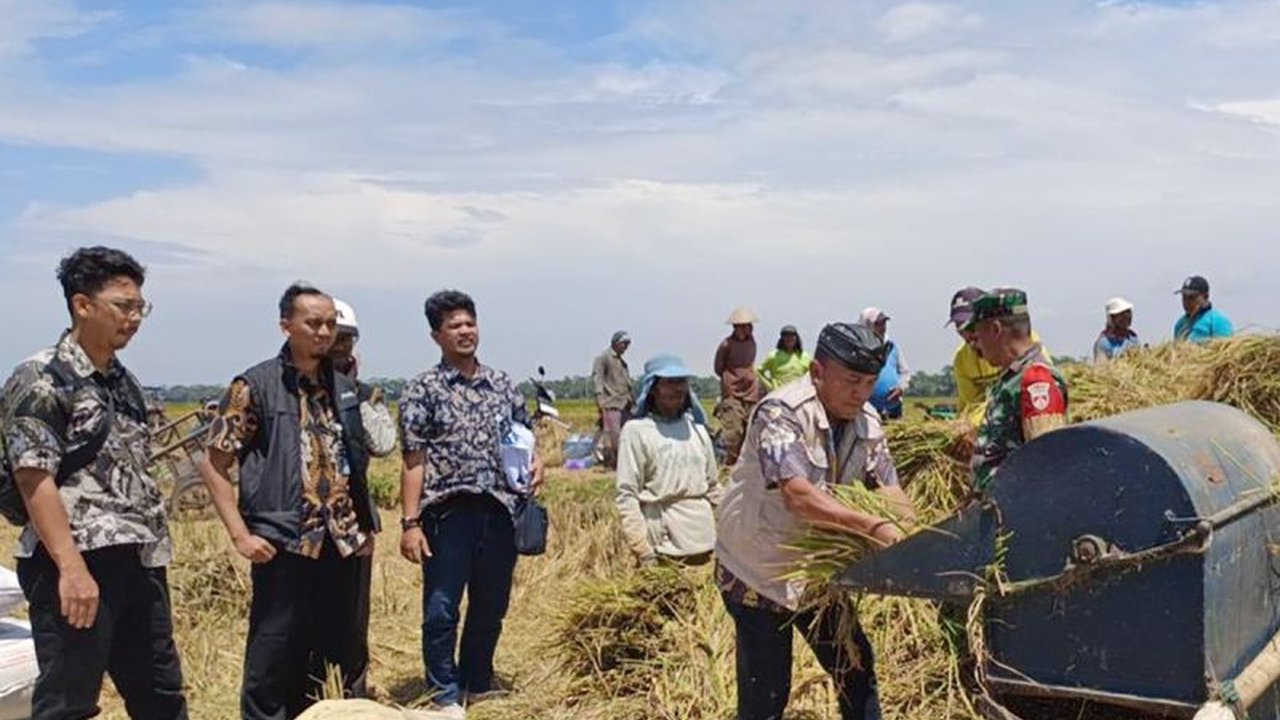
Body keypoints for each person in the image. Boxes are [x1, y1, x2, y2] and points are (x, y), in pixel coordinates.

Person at [1, 247, 189, 720]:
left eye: (140, 307)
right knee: (69, 701)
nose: (135, 317)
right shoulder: (43, 379)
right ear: (82, 305)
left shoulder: (124, 383)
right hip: (76, 563)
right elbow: (33, 477)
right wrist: (72, 570)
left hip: (139, 560)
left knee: (161, 696)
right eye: (123, 306)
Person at [715, 323, 917, 720]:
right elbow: (798, 496)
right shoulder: (781, 413)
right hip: (759, 571)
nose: (861, 392)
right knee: (767, 693)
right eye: (851, 381)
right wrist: (873, 528)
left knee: (856, 670)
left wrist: (913, 532)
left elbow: (887, 487)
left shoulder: (868, 421)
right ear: (817, 373)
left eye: (870, 382)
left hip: (817, 574)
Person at [199, 283, 381, 720]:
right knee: (276, 647)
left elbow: (355, 460)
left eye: (330, 324)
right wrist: (240, 534)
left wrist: (366, 526)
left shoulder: (344, 388)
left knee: (343, 645)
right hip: (284, 538)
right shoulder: (255, 385)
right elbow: (213, 462)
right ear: (286, 325)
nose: (323, 332)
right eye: (313, 323)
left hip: (344, 540)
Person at [398, 290, 543, 719]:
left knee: (491, 604)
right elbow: (413, 460)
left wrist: (537, 465)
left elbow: (524, 440)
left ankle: (478, 681)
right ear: (436, 336)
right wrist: (410, 523)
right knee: (442, 607)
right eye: (454, 326)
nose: (465, 332)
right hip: (448, 512)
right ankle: (443, 691)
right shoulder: (423, 389)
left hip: (499, 510)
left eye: (470, 323)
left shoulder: (502, 384)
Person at [330, 298, 398, 698]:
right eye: (334, 340)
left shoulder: (364, 394)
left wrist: (354, 391)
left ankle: (352, 693)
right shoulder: (292, 389)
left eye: (345, 341)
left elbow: (385, 442)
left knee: (352, 616)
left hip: (351, 523)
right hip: (300, 527)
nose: (339, 349)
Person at [614, 354, 720, 567]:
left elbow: (714, 487)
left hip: (704, 539)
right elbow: (627, 494)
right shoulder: (637, 432)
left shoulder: (698, 431)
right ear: (653, 388)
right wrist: (641, 548)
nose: (677, 389)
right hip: (663, 542)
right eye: (669, 382)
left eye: (681, 382)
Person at [962, 289, 1069, 492]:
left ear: (995, 329)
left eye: (978, 334)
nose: (976, 344)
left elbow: (1048, 463)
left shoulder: (1036, 379)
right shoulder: (1011, 378)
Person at [948, 287, 1049, 428]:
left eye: (974, 330)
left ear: (995, 329)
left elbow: (1042, 440)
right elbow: (971, 405)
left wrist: (978, 429)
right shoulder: (963, 360)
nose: (970, 338)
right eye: (960, 329)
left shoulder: (1033, 372)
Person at [714, 308, 763, 467]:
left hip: (751, 390)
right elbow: (718, 368)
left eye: (748, 326)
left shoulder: (752, 342)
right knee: (734, 430)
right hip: (732, 390)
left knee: (750, 428)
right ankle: (727, 463)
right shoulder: (726, 345)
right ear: (735, 327)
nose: (746, 329)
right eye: (742, 326)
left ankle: (743, 465)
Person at [858, 308, 910, 420]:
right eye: (878, 324)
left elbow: (904, 372)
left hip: (893, 408)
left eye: (884, 323)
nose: (883, 327)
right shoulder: (859, 350)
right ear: (866, 326)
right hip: (867, 410)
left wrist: (901, 387)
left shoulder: (892, 346)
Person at [592, 331, 633, 470]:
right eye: (623, 344)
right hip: (611, 402)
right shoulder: (603, 358)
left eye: (627, 344)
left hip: (625, 403)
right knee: (613, 436)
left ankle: (623, 463)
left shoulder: (622, 362)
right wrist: (600, 400)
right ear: (615, 343)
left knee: (626, 435)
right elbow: (598, 380)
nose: (626, 347)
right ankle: (612, 464)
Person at [1174, 276, 1234, 343]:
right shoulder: (1180, 324)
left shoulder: (1217, 321)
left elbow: (1226, 349)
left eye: (1192, 297)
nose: (1187, 302)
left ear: (1206, 296)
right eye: (1184, 297)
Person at [756, 325, 812, 391]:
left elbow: (813, 374)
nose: (789, 339)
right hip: (779, 394)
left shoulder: (805, 357)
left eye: (792, 336)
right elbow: (758, 371)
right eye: (786, 336)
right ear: (782, 339)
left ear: (796, 338)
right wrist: (770, 386)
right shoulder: (773, 356)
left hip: (799, 394)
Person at [1092, 297, 1140, 363]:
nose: (1127, 316)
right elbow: (1101, 368)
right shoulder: (1104, 343)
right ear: (1112, 318)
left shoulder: (1133, 338)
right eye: (1121, 314)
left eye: (1128, 313)